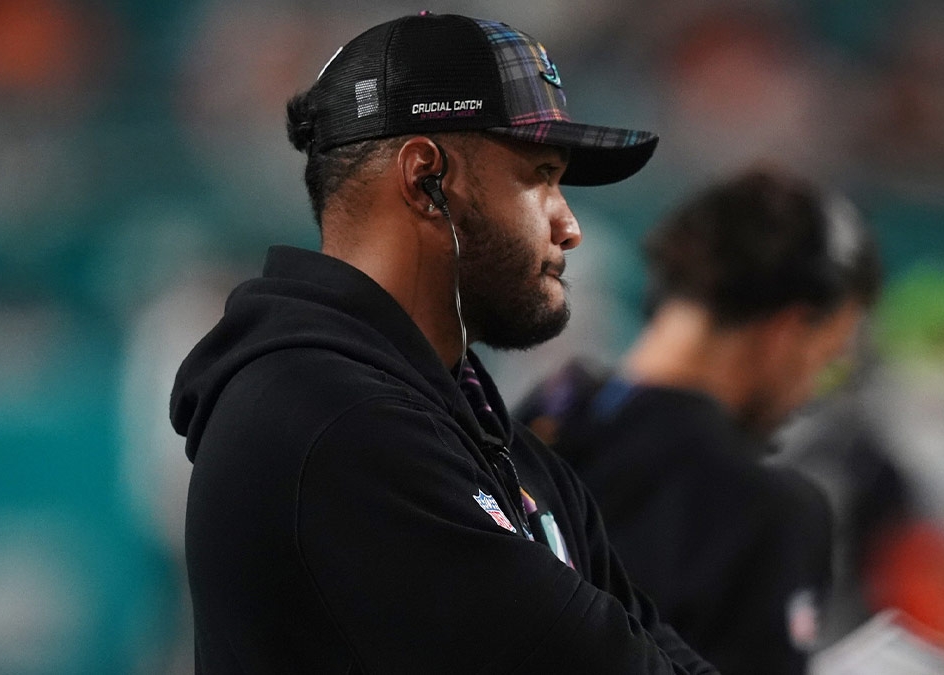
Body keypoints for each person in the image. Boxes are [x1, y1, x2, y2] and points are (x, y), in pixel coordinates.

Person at [168, 12, 718, 674]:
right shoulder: (330, 421)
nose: (569, 224)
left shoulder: (495, 443)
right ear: (426, 177)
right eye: (539, 176)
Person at [517, 168, 883, 674]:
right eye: (829, 355)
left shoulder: (533, 420)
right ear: (789, 329)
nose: (814, 388)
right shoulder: (771, 512)